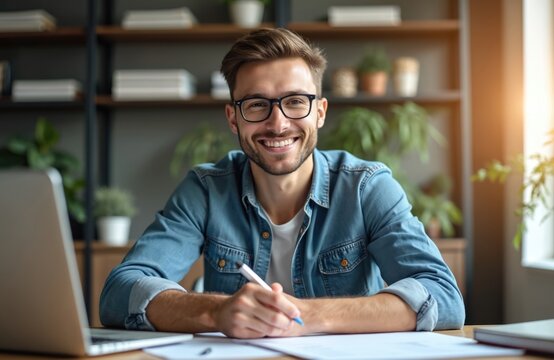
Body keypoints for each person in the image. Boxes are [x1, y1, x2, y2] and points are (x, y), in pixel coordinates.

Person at [100, 28, 465, 338]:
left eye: (294, 102)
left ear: (319, 112)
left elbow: (444, 297)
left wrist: (307, 316)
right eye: (257, 105)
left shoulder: (366, 187)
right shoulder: (207, 190)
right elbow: (119, 292)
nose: (278, 124)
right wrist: (216, 312)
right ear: (233, 118)